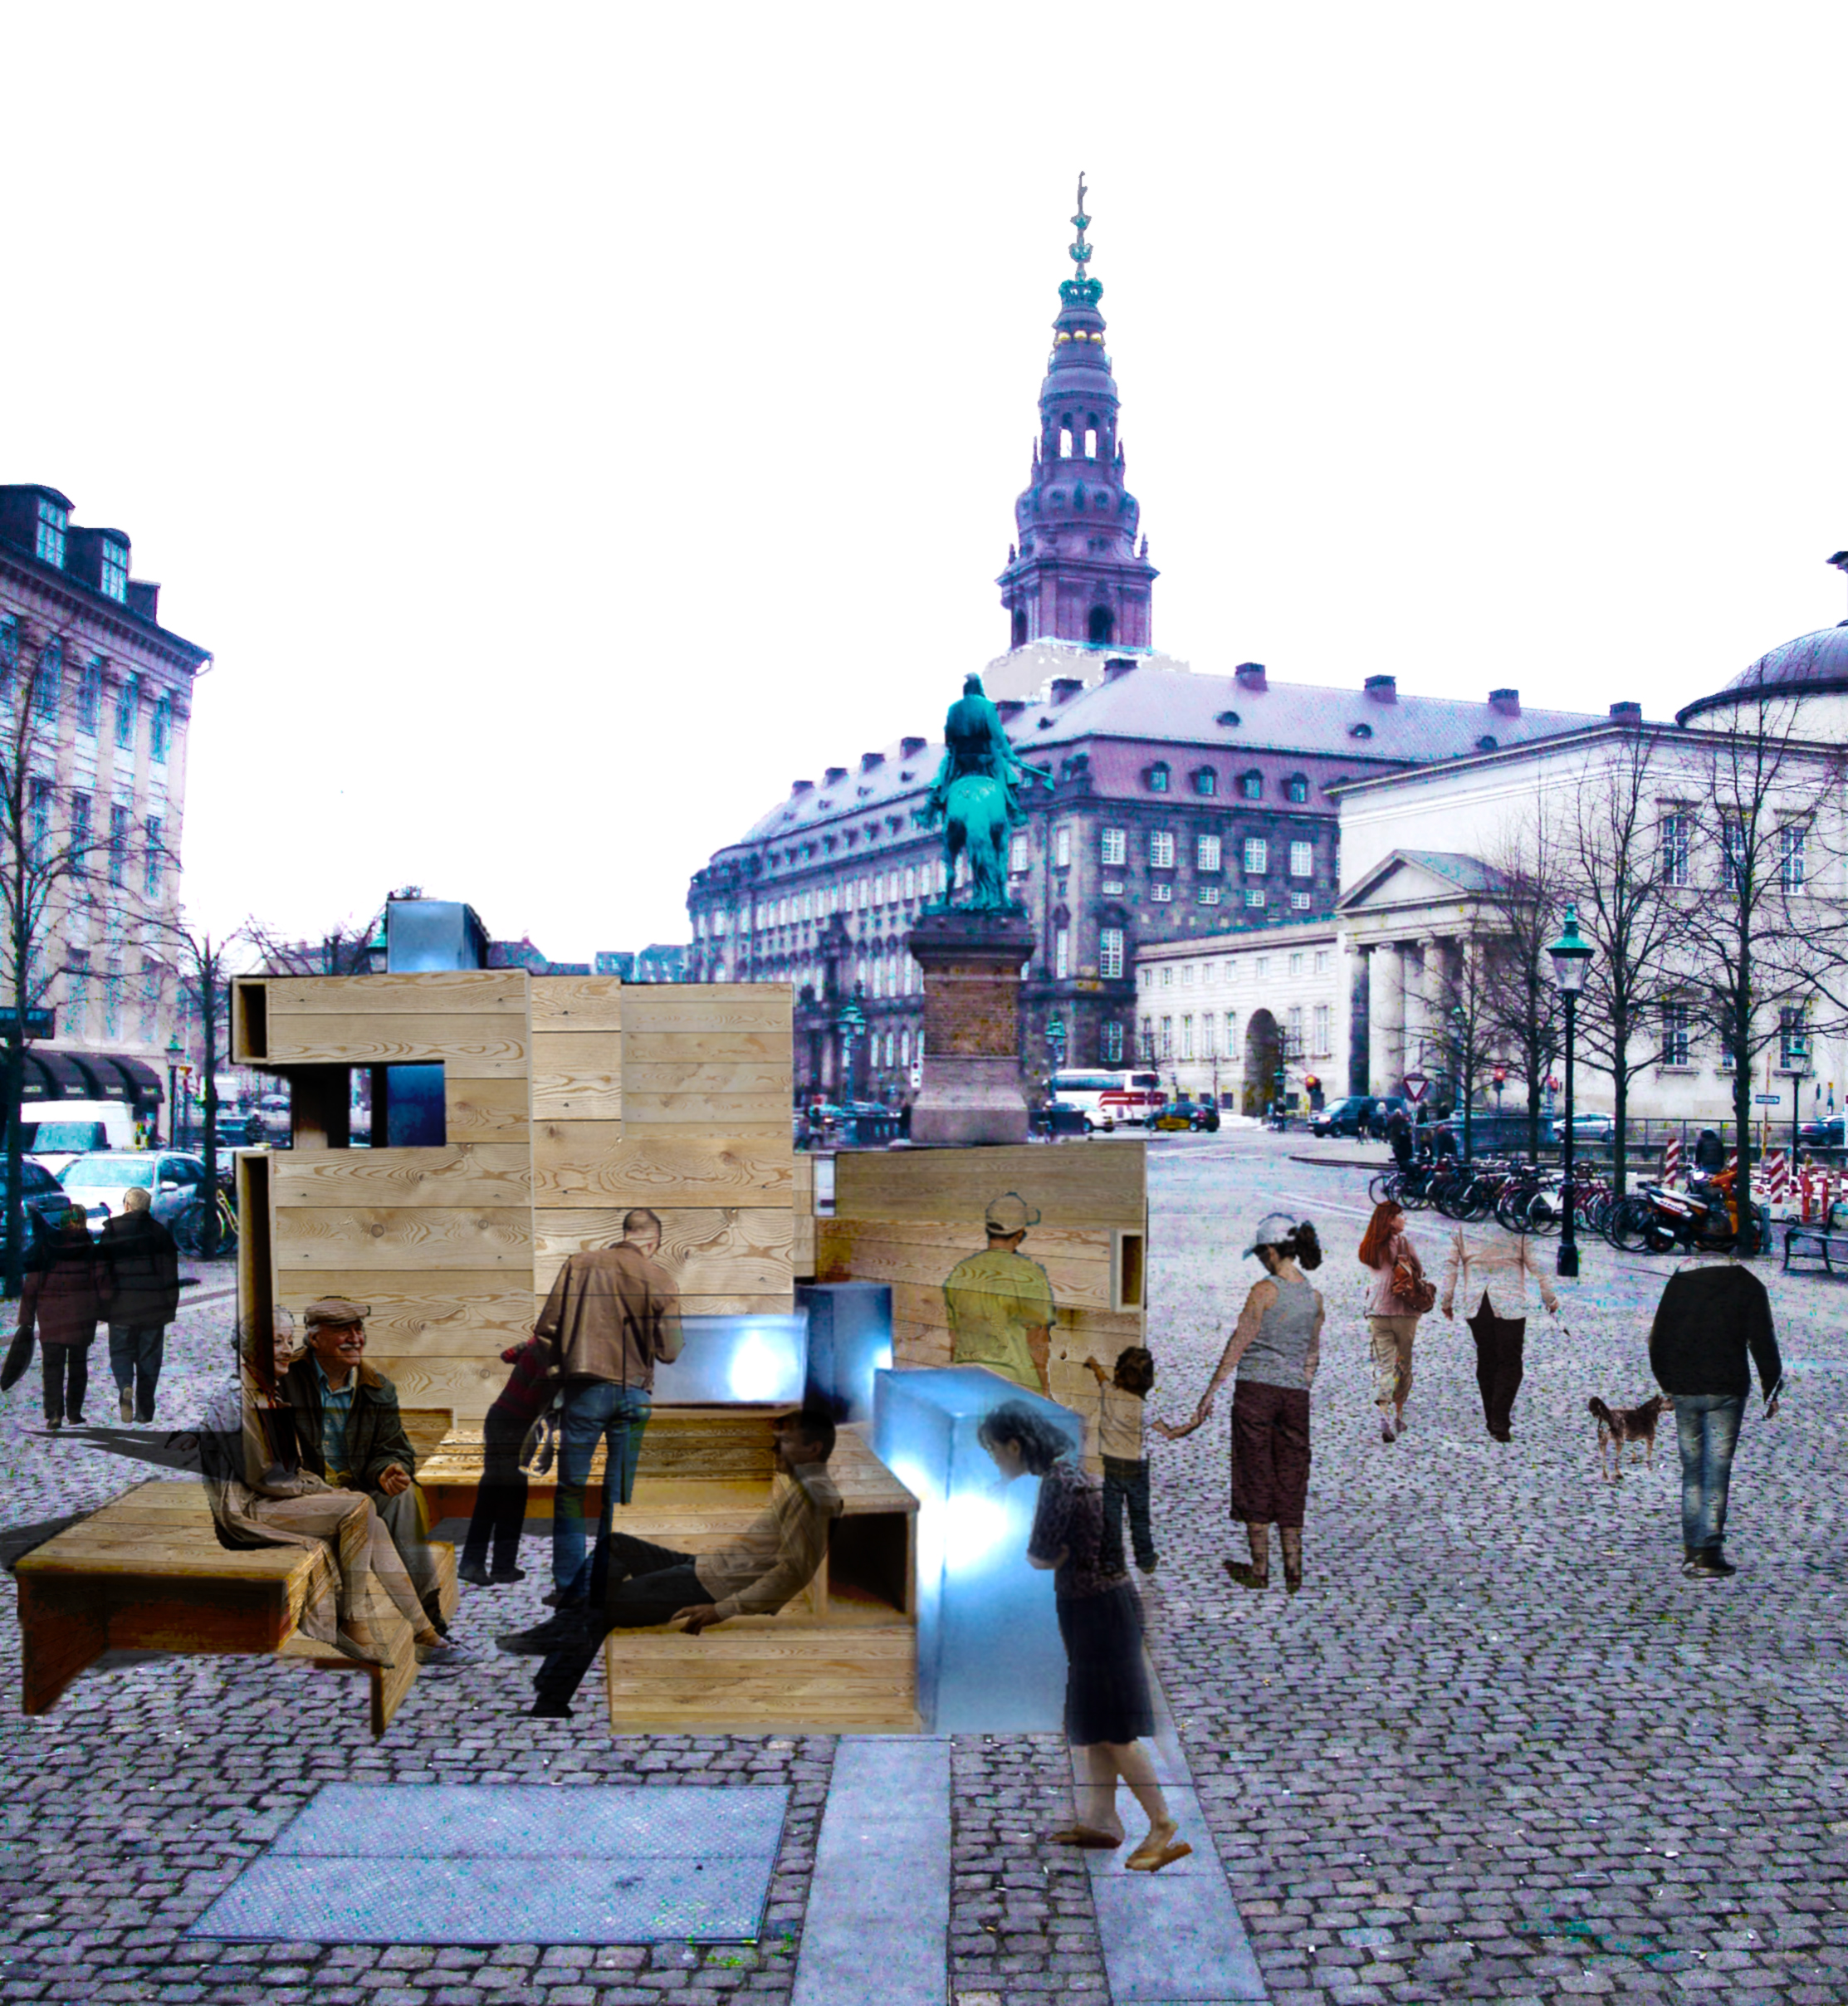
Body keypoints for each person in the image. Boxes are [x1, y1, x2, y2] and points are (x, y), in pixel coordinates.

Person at [497, 1408, 843, 1719]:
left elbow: (794, 1571)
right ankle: (560, 1638)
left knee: (599, 1604)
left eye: (785, 1442)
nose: (774, 1448)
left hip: (711, 1586)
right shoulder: (805, 1488)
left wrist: (724, 1609)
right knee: (615, 1546)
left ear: (813, 1449)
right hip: (707, 1568)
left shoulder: (816, 1497)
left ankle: (552, 1686)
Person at [979, 1400, 1189, 1871]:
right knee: (1095, 1727)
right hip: (1097, 1610)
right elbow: (1054, 1551)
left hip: (1100, 1614)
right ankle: (1102, 1821)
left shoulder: (1060, 1484)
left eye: (994, 1450)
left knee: (1114, 1730)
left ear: (1015, 1445)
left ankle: (1162, 1823)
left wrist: (1046, 1550)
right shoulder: (1066, 1476)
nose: (994, 1459)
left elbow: (1040, 1554)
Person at [194, 1311, 448, 1666]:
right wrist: (324, 1493)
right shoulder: (238, 1400)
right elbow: (264, 1478)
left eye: (288, 1340)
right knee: (358, 1507)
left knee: (370, 1517)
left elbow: (288, 1469)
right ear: (251, 1349)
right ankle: (353, 1620)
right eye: (276, 1342)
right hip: (249, 1509)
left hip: (275, 1498)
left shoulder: (267, 1392)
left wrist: (328, 1489)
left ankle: (424, 1632)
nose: (287, 1349)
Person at [532, 1207, 683, 1612]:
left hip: (585, 1391)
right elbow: (670, 1351)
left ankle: (569, 1588)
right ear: (653, 1243)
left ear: (626, 1233)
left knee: (570, 1490)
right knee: (618, 1496)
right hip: (634, 1395)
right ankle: (607, 1585)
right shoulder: (661, 1279)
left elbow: (545, 1330)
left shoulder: (579, 1265)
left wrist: (559, 1373)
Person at [278, 1298, 447, 1635]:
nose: (356, 1339)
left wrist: (387, 1470)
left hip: (358, 1489)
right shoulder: (286, 1379)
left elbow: (393, 1447)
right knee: (361, 1514)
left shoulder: (377, 1389)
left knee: (404, 1497)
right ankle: (352, 1621)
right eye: (344, 1331)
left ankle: (429, 1611)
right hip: (306, 1494)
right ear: (315, 1339)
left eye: (359, 1330)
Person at [1176, 1211, 1324, 1593]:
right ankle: (1293, 1569)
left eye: (1260, 1254)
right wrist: (1299, 1384)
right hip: (1294, 1397)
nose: (1260, 1261)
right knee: (1291, 1473)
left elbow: (1239, 1343)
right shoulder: (1314, 1298)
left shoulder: (1263, 1291)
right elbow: (1312, 1354)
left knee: (1254, 1472)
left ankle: (1259, 1570)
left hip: (1256, 1393)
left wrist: (1210, 1392)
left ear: (1271, 1251)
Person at [1648, 1259, 1782, 1579]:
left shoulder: (1680, 1282)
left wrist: (1668, 1384)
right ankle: (1709, 1552)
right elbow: (1763, 1340)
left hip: (1687, 1388)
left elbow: (1658, 1339)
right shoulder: (1747, 1283)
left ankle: (1692, 1550)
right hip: (1727, 1386)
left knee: (1693, 1470)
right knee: (1717, 1470)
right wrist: (1771, 1389)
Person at [1440, 1226, 1558, 1441]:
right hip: (1509, 1301)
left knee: (1487, 1358)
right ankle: (1499, 1419)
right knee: (1511, 1362)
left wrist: (1446, 1300)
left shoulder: (1462, 1228)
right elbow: (1538, 1266)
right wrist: (1550, 1298)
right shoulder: (1516, 1227)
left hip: (1476, 1303)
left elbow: (1450, 1266)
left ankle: (1492, 1416)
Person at [457, 1335, 549, 1587]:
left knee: (491, 1495)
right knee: (512, 1498)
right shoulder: (554, 1354)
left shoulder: (539, 1342)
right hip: (515, 1425)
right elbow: (534, 1397)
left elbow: (507, 1355)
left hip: (498, 1417)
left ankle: (473, 1564)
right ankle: (500, 1567)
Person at [944, 1194, 1057, 1395]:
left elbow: (954, 1339)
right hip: (1015, 1387)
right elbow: (1037, 1339)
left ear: (988, 1229)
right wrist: (1044, 1391)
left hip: (968, 1384)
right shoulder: (1029, 1274)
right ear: (1019, 1233)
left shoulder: (960, 1272)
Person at [100, 1187, 182, 1424]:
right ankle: (144, 1410)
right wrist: (169, 1307)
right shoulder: (160, 1232)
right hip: (153, 1307)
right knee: (149, 1358)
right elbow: (170, 1274)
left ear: (127, 1205)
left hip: (121, 1307)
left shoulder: (111, 1230)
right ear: (147, 1207)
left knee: (120, 1352)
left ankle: (125, 1385)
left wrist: (102, 1303)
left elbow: (102, 1271)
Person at [19, 1207, 101, 1430]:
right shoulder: (91, 1249)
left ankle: (54, 1413)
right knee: (78, 1366)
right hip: (81, 1318)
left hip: (51, 1318)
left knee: (52, 1367)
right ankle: (74, 1413)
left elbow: (32, 1285)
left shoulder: (46, 1247)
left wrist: (26, 1318)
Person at [1358, 1200, 1429, 1444]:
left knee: (1386, 1366)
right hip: (1403, 1312)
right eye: (1400, 1215)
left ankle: (1384, 1416)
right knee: (1403, 1365)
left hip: (1376, 1311)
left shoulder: (1368, 1246)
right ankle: (1399, 1415)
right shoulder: (1402, 1244)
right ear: (1390, 1220)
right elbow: (1419, 1271)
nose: (1404, 1219)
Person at [1084, 1347, 1158, 1574]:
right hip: (1137, 1467)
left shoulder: (1109, 1393)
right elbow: (1170, 1432)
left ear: (1119, 1373)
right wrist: (1193, 1424)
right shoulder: (1143, 1407)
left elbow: (1102, 1379)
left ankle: (1113, 1563)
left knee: (1111, 1518)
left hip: (1113, 1466)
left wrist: (1093, 1363)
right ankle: (1145, 1559)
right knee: (1140, 1516)